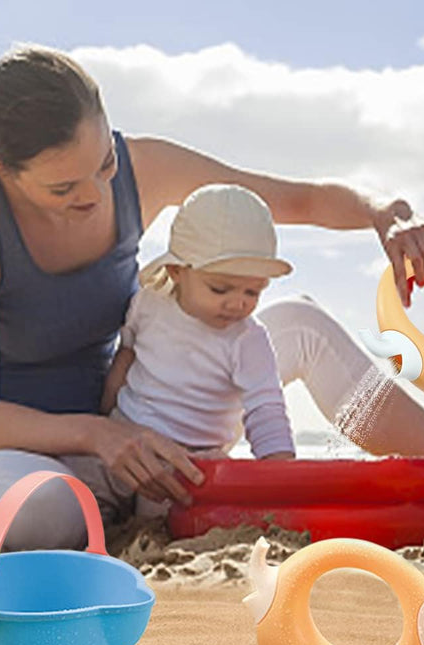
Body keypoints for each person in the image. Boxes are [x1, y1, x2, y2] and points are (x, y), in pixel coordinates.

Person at [0, 45, 424, 549]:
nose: (93, 196)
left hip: (130, 431)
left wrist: (389, 212)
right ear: (2, 169)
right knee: (44, 513)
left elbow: (293, 197)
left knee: (299, 325)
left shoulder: (142, 167)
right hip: (3, 451)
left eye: (102, 166)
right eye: (64, 190)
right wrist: (100, 434)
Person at [100, 183, 297, 515]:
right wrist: (103, 417)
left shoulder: (247, 339)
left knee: (166, 508)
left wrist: (280, 476)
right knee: (80, 492)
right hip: (128, 433)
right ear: (177, 272)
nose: (238, 303)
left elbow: (266, 407)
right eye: (221, 288)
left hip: (193, 457)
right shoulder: (148, 304)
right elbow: (126, 356)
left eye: (253, 291)